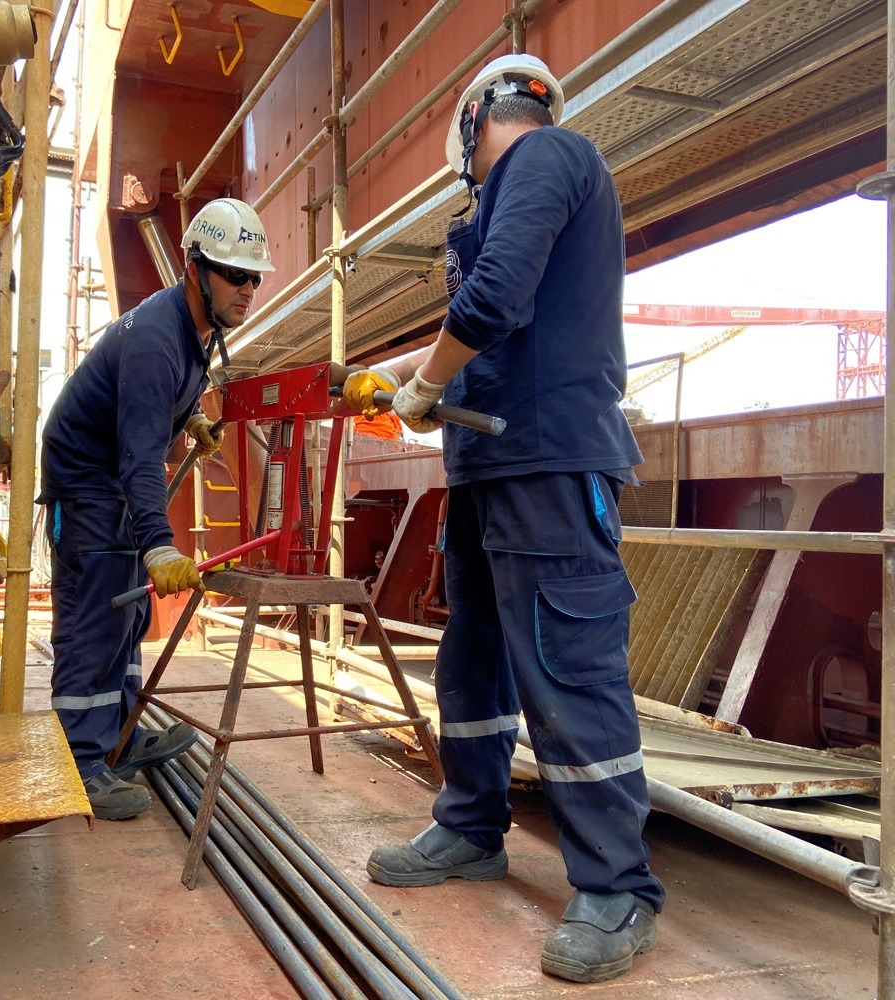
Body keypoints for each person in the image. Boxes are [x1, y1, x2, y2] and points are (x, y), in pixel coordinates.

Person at [342, 54, 664, 984]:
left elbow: (494, 298)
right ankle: (470, 825)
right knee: (473, 657)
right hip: (488, 466)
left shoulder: (550, 155)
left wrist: (422, 385)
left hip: (549, 463)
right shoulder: (504, 198)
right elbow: (493, 332)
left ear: (476, 119)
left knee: (569, 664)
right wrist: (405, 382)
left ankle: (617, 887)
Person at [38, 198, 274, 820]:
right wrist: (160, 545)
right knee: (95, 618)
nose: (248, 289)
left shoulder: (198, 331)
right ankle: (79, 763)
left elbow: (165, 406)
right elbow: (140, 455)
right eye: (235, 274)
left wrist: (189, 418)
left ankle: (117, 735)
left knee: (130, 613)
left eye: (254, 277)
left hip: (109, 480)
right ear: (196, 270)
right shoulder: (155, 341)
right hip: (86, 485)